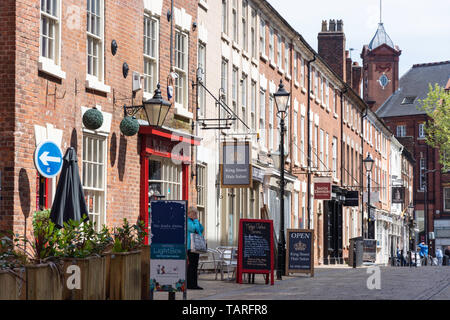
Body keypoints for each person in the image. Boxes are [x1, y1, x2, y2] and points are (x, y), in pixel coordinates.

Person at [187, 206, 204, 290]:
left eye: (196, 213)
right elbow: (194, 229)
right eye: (194, 213)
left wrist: (197, 221)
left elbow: (201, 228)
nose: (196, 215)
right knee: (192, 266)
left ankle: (193, 284)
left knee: (194, 266)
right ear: (189, 213)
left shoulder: (193, 221)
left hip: (195, 247)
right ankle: (191, 284)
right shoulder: (188, 221)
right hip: (190, 247)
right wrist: (196, 221)